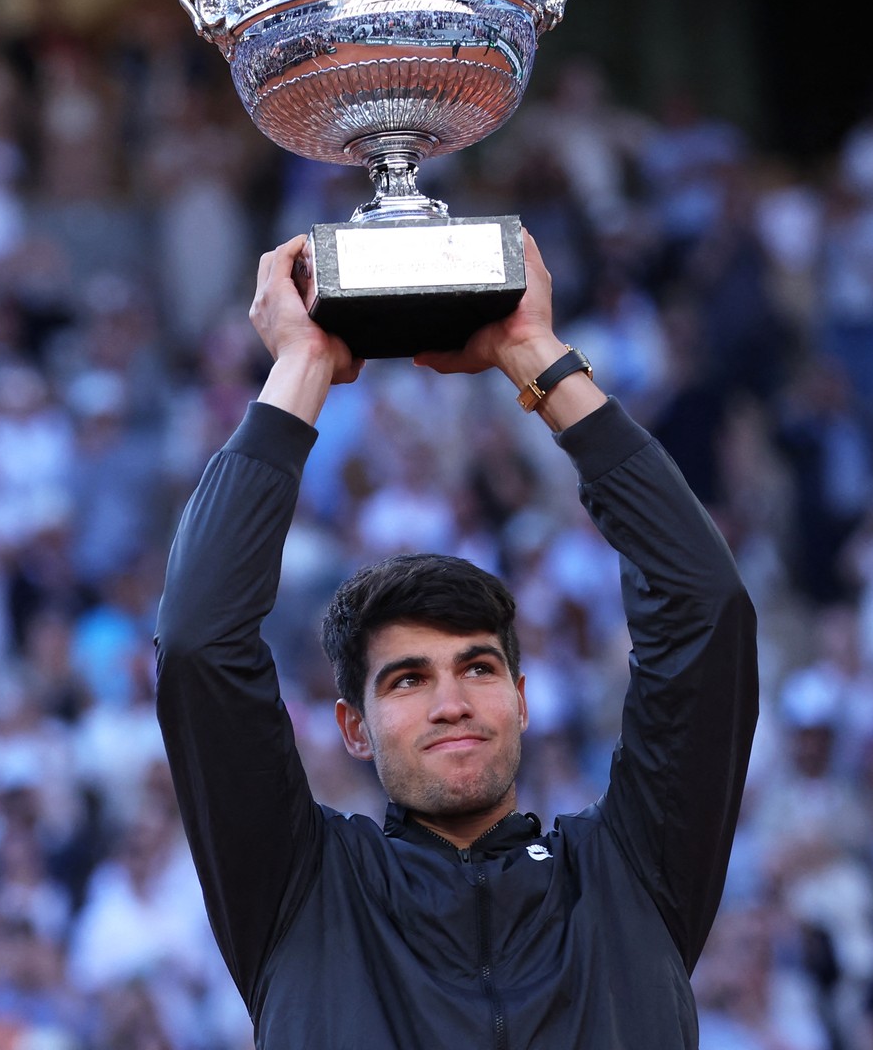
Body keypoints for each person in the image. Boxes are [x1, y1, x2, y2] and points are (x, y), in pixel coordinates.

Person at [155, 232, 759, 1048]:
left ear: (520, 699)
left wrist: (534, 355)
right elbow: (198, 642)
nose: (450, 703)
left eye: (477, 667)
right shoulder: (300, 889)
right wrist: (299, 366)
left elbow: (704, 606)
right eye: (406, 679)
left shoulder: (631, 873)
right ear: (353, 728)